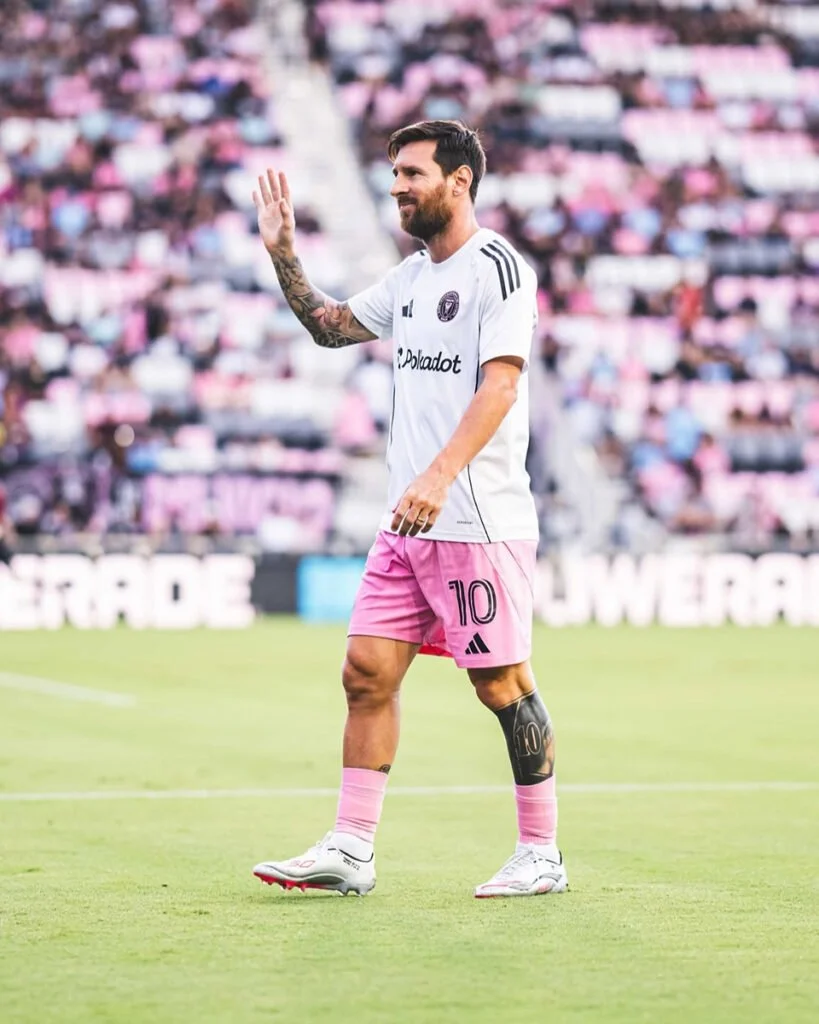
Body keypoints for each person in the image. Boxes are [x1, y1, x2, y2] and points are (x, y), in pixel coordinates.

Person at [251, 120, 567, 898]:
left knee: (501, 684)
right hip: (408, 523)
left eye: (412, 174)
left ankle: (541, 854)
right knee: (365, 673)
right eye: (394, 174)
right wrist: (283, 252)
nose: (397, 187)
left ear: (459, 181)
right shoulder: (412, 277)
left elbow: (500, 386)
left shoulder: (499, 271)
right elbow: (330, 330)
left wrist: (437, 475)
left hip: (473, 518)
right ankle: (350, 849)